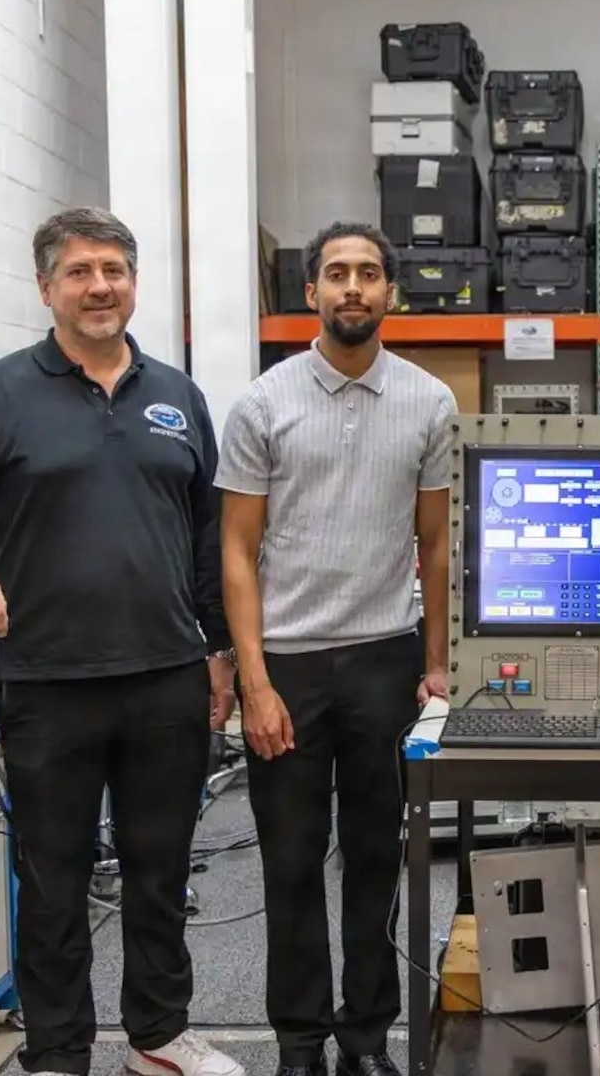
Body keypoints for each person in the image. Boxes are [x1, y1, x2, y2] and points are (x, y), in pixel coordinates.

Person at [0, 207, 243, 1076]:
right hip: (49, 683)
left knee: (161, 876)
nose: (100, 286)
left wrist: (222, 653)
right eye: (80, 271)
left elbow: (205, 540)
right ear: (47, 287)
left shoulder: (176, 395)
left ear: (133, 281)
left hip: (165, 679)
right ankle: (57, 1055)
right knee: (53, 886)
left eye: (114, 269)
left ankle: (157, 1038)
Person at [215, 221, 455, 1076]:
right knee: (286, 863)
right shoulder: (262, 404)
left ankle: (364, 1038)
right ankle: (300, 1043)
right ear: (310, 292)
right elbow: (236, 552)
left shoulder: (429, 403)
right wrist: (254, 681)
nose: (352, 287)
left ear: (390, 292)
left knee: (373, 860)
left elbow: (434, 545)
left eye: (368, 274)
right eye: (335, 274)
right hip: (286, 663)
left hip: (385, 660)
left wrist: (435, 663)